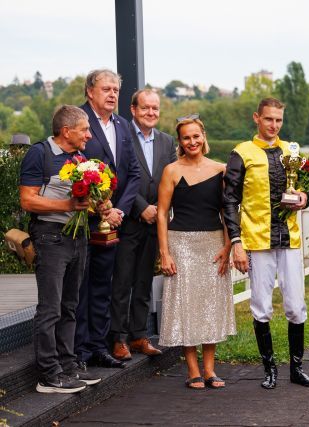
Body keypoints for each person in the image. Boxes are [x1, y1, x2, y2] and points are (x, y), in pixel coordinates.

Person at [223, 97, 309, 389]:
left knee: (296, 306)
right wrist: (236, 241)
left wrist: (305, 198)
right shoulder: (242, 153)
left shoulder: (292, 150)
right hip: (258, 239)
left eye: (278, 120)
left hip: (289, 239)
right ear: (257, 118)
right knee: (261, 305)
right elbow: (229, 200)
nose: (274, 125)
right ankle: (270, 369)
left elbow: (308, 187)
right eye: (268, 119)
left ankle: (297, 369)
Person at [20, 105, 101, 393]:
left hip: (78, 237)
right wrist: (68, 205)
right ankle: (48, 375)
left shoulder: (79, 158)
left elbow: (82, 200)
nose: (90, 135)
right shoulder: (39, 154)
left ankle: (68, 366)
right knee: (50, 308)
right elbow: (28, 201)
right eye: (85, 130)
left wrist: (100, 204)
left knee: (70, 307)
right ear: (66, 131)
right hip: (50, 238)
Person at [157, 115, 235, 390]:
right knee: (186, 307)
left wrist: (228, 246)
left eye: (196, 136)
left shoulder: (221, 170)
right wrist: (164, 253)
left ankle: (210, 370)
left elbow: (229, 213)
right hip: (181, 244)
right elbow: (163, 213)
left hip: (214, 244)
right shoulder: (171, 171)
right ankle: (192, 370)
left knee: (209, 306)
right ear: (180, 142)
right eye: (186, 137)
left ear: (204, 137)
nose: (192, 141)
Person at [75, 69, 141, 370]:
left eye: (116, 89)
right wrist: (100, 207)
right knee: (80, 288)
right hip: (83, 221)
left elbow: (134, 172)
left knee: (103, 285)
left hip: (114, 222)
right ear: (90, 92)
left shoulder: (123, 125)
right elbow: (74, 167)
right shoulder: (79, 121)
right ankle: (78, 351)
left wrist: (119, 212)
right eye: (106, 89)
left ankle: (99, 347)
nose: (113, 94)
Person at [110, 89, 176, 361]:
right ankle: (118, 338)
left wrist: (160, 211)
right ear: (133, 110)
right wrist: (140, 208)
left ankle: (139, 336)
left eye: (155, 108)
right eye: (145, 108)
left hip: (155, 223)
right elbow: (118, 176)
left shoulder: (166, 141)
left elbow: (171, 179)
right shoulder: (122, 136)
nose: (151, 113)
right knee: (122, 282)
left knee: (144, 281)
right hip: (129, 220)